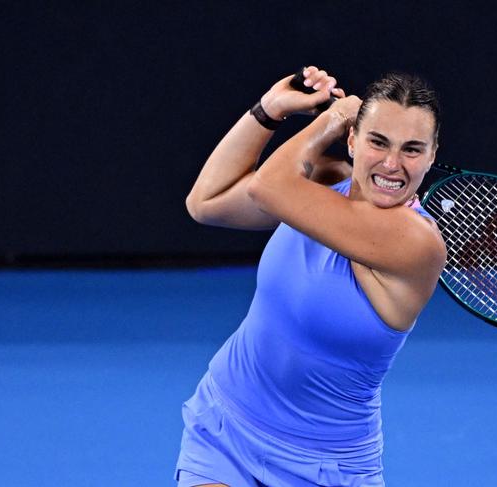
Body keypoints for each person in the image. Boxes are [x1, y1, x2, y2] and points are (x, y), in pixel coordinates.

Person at [176, 66, 446, 487]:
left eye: (412, 149)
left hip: (326, 468)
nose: (392, 164)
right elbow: (205, 202)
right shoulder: (322, 187)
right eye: (377, 141)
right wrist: (268, 109)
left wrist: (332, 118)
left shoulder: (416, 243)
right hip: (227, 426)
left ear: (431, 155)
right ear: (354, 142)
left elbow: (268, 186)